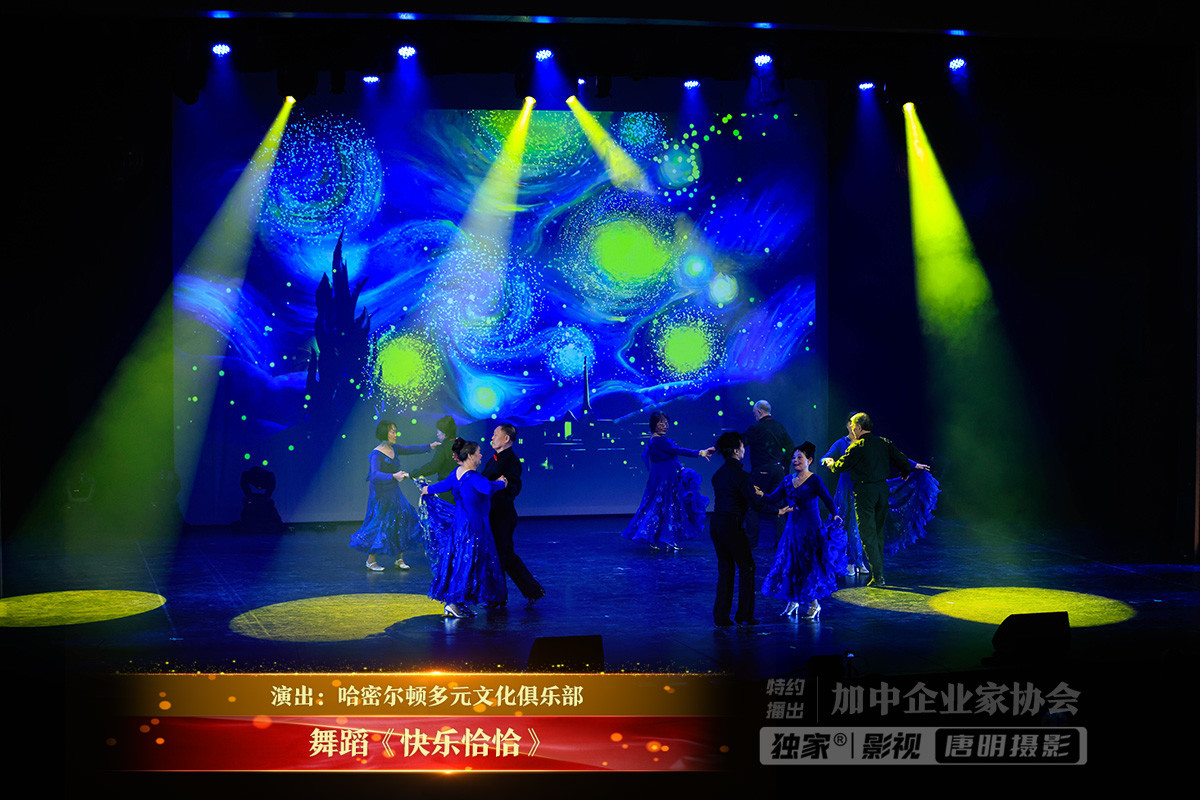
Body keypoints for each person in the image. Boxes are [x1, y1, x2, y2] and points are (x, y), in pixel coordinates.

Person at [822, 413, 941, 575]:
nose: (852, 427)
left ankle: (858, 562)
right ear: (848, 425)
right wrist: (828, 461)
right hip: (847, 490)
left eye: (855, 424)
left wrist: (913, 465)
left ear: (859, 427)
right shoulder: (843, 443)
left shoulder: (869, 444)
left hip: (864, 490)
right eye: (850, 423)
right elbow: (827, 457)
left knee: (860, 527)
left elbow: (894, 455)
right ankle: (851, 562)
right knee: (848, 526)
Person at [420, 438, 509, 618]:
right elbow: (487, 488)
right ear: (469, 456)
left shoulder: (457, 473)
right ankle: (453, 603)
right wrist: (502, 483)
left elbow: (443, 485)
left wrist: (427, 489)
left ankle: (458, 603)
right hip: (472, 527)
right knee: (468, 564)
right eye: (478, 453)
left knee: (461, 562)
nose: (481, 456)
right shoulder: (473, 477)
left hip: (460, 525)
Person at [710, 431, 788, 627]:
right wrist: (777, 511)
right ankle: (744, 615)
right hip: (731, 525)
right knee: (747, 567)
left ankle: (721, 617)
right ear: (736, 451)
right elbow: (755, 504)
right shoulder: (741, 476)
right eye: (742, 446)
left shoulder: (718, 474)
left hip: (717, 524)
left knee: (726, 570)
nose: (744, 449)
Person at [761, 442, 843, 620]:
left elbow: (828, 499)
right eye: (794, 457)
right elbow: (774, 498)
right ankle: (793, 600)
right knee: (790, 565)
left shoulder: (814, 480)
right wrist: (760, 495)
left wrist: (835, 514)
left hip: (811, 530)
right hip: (792, 531)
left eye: (800, 457)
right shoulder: (787, 480)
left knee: (809, 566)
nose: (795, 460)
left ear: (809, 460)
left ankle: (815, 604)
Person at [349, 420, 440, 571]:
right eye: (392, 431)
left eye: (395, 431)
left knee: (401, 519)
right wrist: (393, 476)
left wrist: (430, 446)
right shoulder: (376, 454)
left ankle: (399, 559)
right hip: (380, 493)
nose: (395, 434)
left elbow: (410, 449)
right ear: (384, 433)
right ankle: (371, 560)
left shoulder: (394, 448)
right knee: (380, 523)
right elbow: (374, 475)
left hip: (394, 491)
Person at [621, 410, 714, 551]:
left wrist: (681, 468)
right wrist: (700, 452)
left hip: (666, 478)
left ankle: (661, 538)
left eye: (666, 423)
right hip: (664, 480)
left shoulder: (657, 441)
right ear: (654, 425)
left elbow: (670, 456)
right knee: (667, 507)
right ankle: (665, 539)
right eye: (661, 423)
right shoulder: (659, 441)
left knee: (663, 507)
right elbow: (677, 450)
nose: (665, 426)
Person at [483, 423, 545, 606]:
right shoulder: (494, 459)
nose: (492, 438)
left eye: (495, 434)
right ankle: (532, 590)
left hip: (502, 515)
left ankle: (499, 597)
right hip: (492, 514)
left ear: (506, 438)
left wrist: (500, 487)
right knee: (504, 555)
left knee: (501, 555)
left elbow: (513, 488)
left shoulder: (510, 460)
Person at [742, 400, 796, 547]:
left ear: (759, 412)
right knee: (778, 504)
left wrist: (719, 446)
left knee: (751, 502)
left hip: (761, 470)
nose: (754, 415)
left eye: (754, 413)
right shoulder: (779, 427)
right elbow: (791, 447)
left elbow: (740, 441)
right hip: (778, 470)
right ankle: (781, 542)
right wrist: (784, 465)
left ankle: (752, 541)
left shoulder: (756, 429)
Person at [412, 416, 458, 503]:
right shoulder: (463, 444)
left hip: (448, 490)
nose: (437, 434)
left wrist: (414, 473)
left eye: (438, 431)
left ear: (444, 432)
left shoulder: (443, 448)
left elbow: (433, 467)